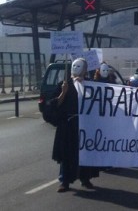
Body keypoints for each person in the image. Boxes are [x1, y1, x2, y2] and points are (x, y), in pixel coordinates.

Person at [52, 57, 99, 192]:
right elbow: (54, 105)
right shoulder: (64, 84)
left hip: (84, 125)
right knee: (66, 154)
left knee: (84, 152)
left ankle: (85, 178)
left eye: (79, 67)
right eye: (74, 66)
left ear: (85, 70)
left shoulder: (91, 85)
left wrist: (84, 85)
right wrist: (63, 92)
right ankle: (64, 181)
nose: (75, 69)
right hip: (68, 125)